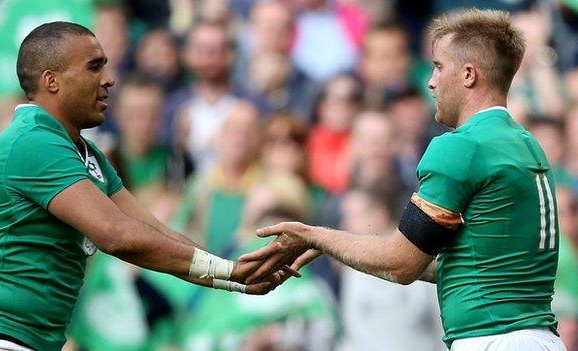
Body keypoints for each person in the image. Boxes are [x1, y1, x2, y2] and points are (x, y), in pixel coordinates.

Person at [241, 8, 568, 351]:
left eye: (439, 66)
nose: (430, 81)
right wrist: (334, 245)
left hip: (492, 340)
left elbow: (403, 264)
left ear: (469, 74)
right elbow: (462, 265)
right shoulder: (527, 144)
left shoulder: (462, 146)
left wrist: (314, 236)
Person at [0, 22, 291, 351]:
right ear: (51, 81)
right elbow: (116, 235)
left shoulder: (85, 153)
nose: (108, 79)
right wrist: (228, 271)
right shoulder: (31, 139)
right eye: (93, 67)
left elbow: (153, 230)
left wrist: (235, 275)